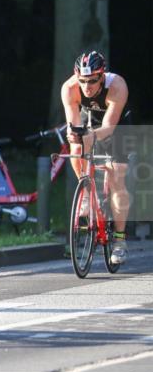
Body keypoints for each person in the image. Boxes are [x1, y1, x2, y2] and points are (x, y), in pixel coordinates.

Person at [61, 50, 132, 266]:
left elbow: (109, 127)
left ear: (102, 76)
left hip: (115, 124)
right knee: (76, 144)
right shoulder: (69, 88)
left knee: (117, 173)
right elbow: (74, 124)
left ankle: (119, 241)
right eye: (82, 80)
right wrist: (77, 136)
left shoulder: (117, 86)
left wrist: (92, 136)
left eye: (92, 81)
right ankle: (85, 192)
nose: (87, 86)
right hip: (89, 116)